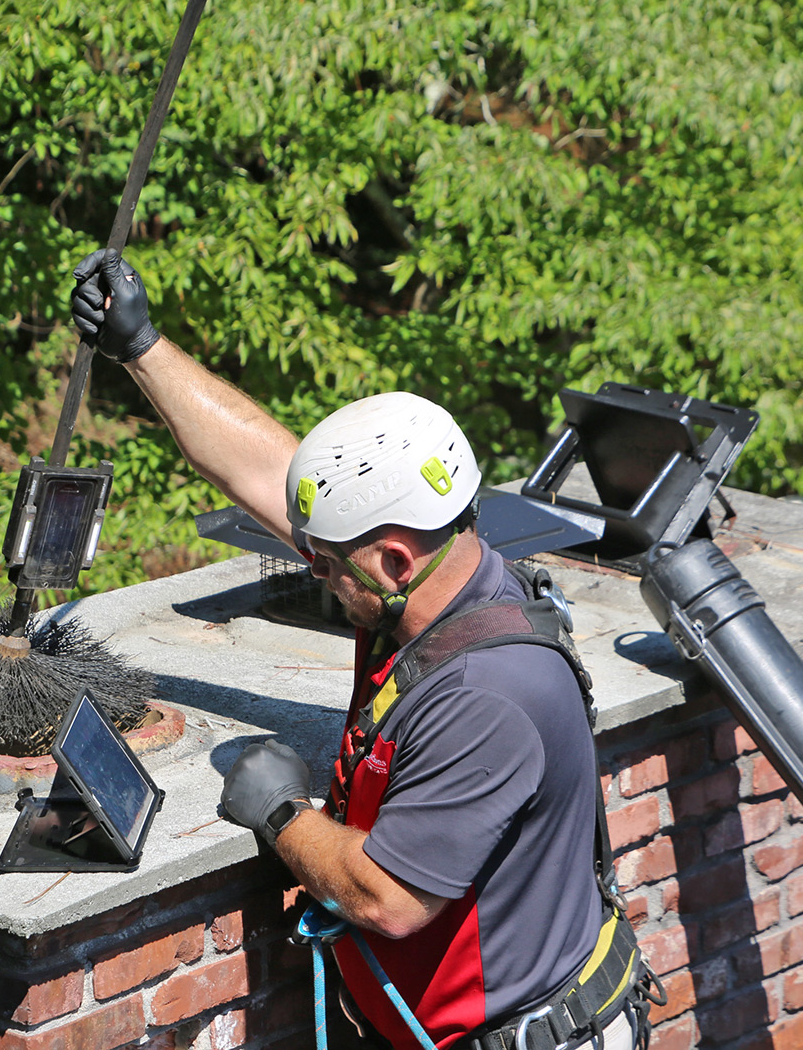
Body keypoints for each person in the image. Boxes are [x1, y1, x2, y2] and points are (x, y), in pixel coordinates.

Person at [70, 250, 656, 1050]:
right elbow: (264, 468)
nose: (311, 568)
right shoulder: (437, 580)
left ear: (389, 560)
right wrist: (141, 347)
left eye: (323, 561)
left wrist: (282, 813)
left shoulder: (488, 692)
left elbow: (387, 897)